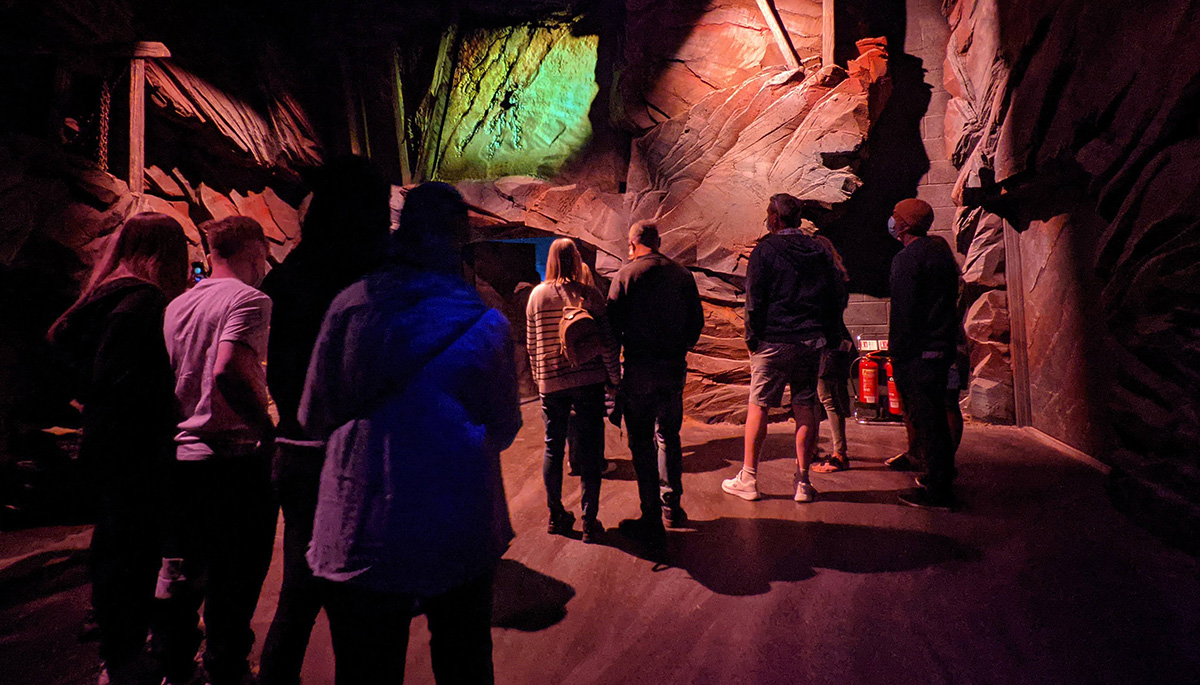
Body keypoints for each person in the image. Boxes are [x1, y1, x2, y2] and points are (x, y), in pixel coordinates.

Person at [300, 182, 521, 684]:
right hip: (459, 525)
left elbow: (313, 415)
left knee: (366, 669)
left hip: (364, 521)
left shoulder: (351, 306)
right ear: (460, 239)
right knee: (464, 661)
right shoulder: (486, 321)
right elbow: (505, 428)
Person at [258, 158, 390, 685]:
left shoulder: (284, 277)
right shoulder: (368, 283)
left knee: (299, 592)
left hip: (296, 450)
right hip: (354, 456)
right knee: (363, 616)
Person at [48, 213, 189, 685]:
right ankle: (125, 655)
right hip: (134, 449)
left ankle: (116, 640)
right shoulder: (142, 303)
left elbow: (68, 355)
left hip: (107, 443)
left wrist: (88, 400)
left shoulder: (104, 295)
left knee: (113, 542)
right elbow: (121, 377)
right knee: (134, 551)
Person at [157, 216, 276, 685]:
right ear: (253, 254)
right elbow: (228, 369)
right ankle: (226, 666)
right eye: (263, 259)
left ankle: (175, 664)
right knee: (238, 569)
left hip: (181, 455)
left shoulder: (175, 306)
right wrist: (264, 426)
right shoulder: (250, 300)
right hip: (231, 458)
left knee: (183, 567)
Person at [721, 194, 842, 502]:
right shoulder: (818, 250)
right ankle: (803, 481)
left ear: (774, 218)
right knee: (805, 406)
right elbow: (832, 294)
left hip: (773, 341)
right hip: (810, 341)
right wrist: (827, 334)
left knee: (759, 405)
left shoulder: (765, 250)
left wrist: (752, 338)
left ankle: (749, 478)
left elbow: (755, 299)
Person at [606, 221, 703, 544]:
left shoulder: (626, 275)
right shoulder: (682, 276)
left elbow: (612, 326)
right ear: (657, 242)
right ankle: (672, 507)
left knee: (641, 444)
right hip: (673, 368)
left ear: (632, 243)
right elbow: (695, 325)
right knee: (669, 437)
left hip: (639, 370)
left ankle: (650, 515)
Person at [526, 238, 620, 543]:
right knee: (592, 452)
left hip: (552, 384)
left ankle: (556, 515)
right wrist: (613, 379)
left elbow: (531, 345)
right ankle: (590, 521)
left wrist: (541, 379)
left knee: (553, 446)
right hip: (588, 382)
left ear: (551, 260)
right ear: (576, 259)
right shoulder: (590, 295)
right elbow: (607, 343)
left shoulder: (537, 297)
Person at [886, 198, 962, 510]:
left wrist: (898, 354)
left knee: (927, 420)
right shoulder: (941, 251)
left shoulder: (908, 259)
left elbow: (904, 312)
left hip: (917, 352)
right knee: (937, 417)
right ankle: (941, 476)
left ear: (903, 224)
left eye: (895, 217)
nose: (891, 222)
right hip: (941, 347)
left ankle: (937, 490)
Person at [807, 213, 855, 474]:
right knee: (820, 397)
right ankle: (816, 447)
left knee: (827, 398)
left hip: (827, 343)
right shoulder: (836, 279)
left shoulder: (825, 283)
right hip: (833, 340)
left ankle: (839, 453)